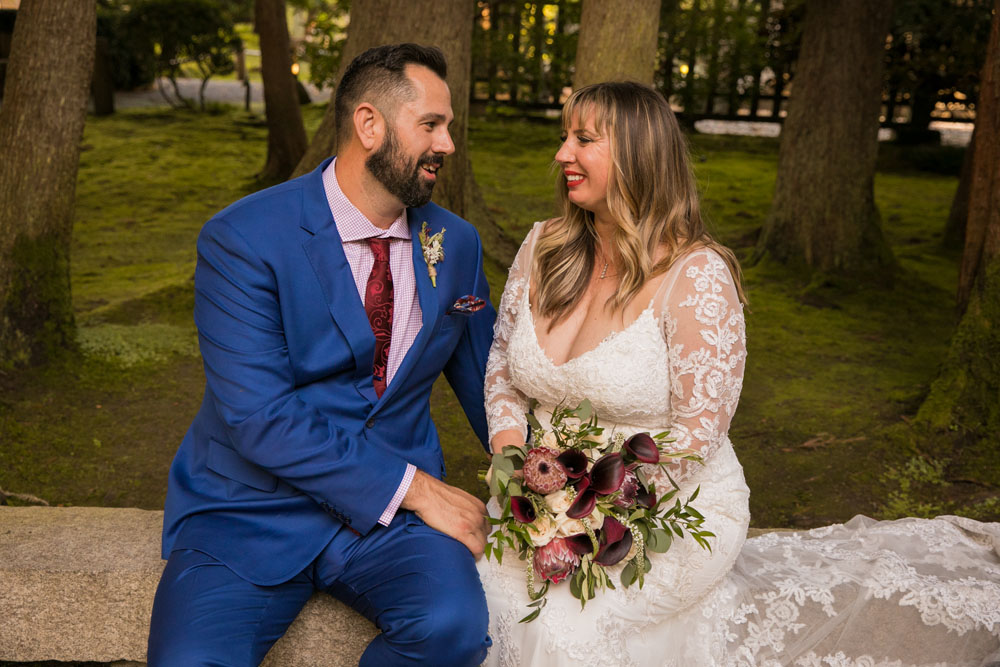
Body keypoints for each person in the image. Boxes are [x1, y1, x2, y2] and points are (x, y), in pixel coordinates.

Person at [479, 81, 1000, 666]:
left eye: (583, 139)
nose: (561, 154)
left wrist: (601, 511)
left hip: (666, 508)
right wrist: (514, 460)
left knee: (569, 633)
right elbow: (502, 366)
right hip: (537, 504)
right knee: (488, 606)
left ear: (637, 153)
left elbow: (697, 433)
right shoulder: (543, 245)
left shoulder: (696, 273)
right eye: (562, 137)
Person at [148, 44, 496, 666]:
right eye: (431, 126)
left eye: (449, 129)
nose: (447, 145)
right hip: (251, 509)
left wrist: (563, 484)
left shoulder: (457, 244)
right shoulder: (244, 237)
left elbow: (489, 387)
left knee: (451, 630)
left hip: (392, 532)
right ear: (370, 124)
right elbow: (259, 418)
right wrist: (415, 488)